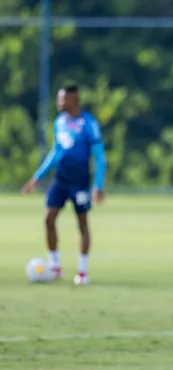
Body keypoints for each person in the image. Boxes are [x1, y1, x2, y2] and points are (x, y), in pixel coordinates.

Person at [21, 84, 107, 285]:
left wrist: (98, 185)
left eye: (62, 99)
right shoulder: (60, 122)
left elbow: (100, 157)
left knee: (82, 224)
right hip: (60, 180)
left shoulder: (89, 124)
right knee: (49, 219)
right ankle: (55, 267)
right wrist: (37, 177)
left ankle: (83, 272)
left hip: (80, 182)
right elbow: (55, 153)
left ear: (73, 100)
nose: (59, 102)